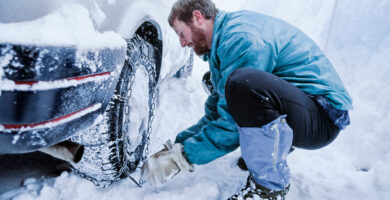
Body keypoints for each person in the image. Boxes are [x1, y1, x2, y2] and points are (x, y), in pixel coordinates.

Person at [140, 0, 353, 199]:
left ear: (197, 18)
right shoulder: (225, 40)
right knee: (227, 85)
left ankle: (269, 188)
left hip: (322, 115)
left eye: (181, 33)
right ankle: (264, 151)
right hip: (304, 107)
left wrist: (181, 159)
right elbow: (218, 112)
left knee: (242, 85)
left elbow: (230, 122)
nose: (183, 43)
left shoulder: (241, 38)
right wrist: (178, 145)